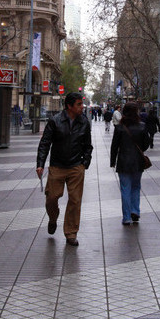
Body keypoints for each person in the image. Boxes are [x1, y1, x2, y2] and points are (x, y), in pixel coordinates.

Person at [36, 92, 93, 247]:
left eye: (82, 104)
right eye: (79, 104)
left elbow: (88, 146)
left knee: (75, 200)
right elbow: (45, 143)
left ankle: (71, 233)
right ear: (69, 106)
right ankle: (53, 218)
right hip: (57, 166)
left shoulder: (84, 122)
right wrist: (40, 164)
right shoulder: (55, 121)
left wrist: (84, 163)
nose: (82, 107)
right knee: (52, 198)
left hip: (76, 167)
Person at [110, 102, 150, 226]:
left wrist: (112, 161)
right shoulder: (142, 126)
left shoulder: (120, 127)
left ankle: (126, 217)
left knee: (125, 189)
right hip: (138, 162)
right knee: (136, 187)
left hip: (123, 162)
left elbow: (114, 146)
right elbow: (146, 144)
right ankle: (135, 211)